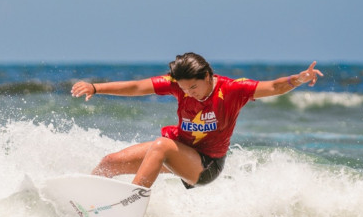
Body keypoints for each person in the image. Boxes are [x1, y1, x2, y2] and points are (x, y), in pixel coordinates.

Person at [71, 52, 323, 189]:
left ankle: (128, 204)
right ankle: (87, 201)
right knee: (109, 163)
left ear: (208, 75)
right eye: (183, 88)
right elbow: (138, 86)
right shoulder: (178, 85)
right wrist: (95, 87)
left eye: (193, 87)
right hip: (180, 153)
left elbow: (275, 87)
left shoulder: (233, 89)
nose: (188, 92)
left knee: (161, 145)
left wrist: (298, 79)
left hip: (206, 166)